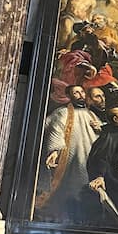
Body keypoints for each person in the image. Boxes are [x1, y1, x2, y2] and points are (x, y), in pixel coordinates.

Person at [36, 85, 103, 224]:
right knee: (69, 185)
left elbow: (102, 135)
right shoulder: (63, 112)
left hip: (90, 155)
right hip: (71, 157)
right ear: (70, 96)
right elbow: (56, 130)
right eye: (75, 92)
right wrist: (54, 151)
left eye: (81, 92)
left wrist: (101, 128)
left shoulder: (92, 114)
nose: (80, 94)